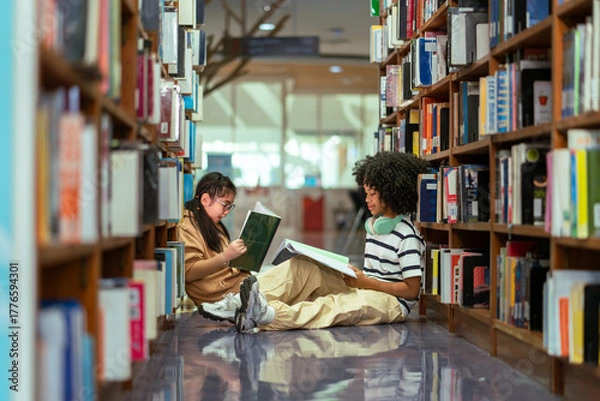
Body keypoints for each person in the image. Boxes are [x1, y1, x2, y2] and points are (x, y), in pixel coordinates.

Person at [200, 151, 431, 334]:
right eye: (366, 193)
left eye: (372, 194)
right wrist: (358, 276)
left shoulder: (407, 235)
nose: (367, 200)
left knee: (334, 305)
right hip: (367, 285)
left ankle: (268, 315)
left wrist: (367, 282)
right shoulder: (375, 227)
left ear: (391, 193)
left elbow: (411, 291)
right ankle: (238, 302)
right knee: (304, 266)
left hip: (391, 302)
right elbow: (373, 274)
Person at [177, 172, 250, 317]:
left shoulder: (213, 224)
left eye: (230, 206)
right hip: (227, 296)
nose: (227, 212)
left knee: (303, 269)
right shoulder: (187, 226)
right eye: (225, 205)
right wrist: (225, 257)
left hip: (240, 285)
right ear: (205, 199)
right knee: (301, 272)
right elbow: (188, 272)